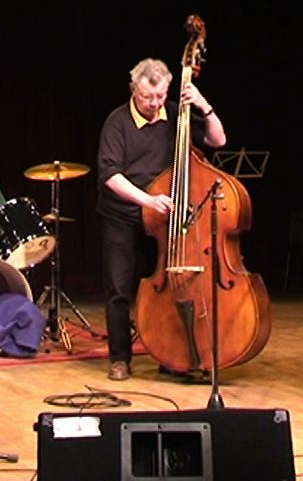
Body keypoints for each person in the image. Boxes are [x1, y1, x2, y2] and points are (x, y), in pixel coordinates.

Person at [96, 58, 226, 380]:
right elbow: (110, 175)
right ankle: (120, 359)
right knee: (119, 288)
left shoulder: (176, 115)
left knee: (172, 285)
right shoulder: (117, 122)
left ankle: (171, 355)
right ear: (133, 91)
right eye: (146, 97)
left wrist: (204, 106)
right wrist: (147, 200)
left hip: (165, 218)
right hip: (123, 214)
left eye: (159, 96)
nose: (154, 104)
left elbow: (218, 141)